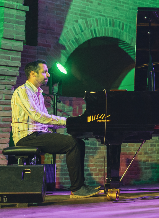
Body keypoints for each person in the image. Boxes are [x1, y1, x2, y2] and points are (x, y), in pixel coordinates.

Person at [11, 60, 100, 198]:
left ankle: (80, 186)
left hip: (37, 135)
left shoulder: (38, 93)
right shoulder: (22, 91)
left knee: (79, 142)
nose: (48, 74)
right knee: (72, 144)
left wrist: (73, 123)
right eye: (44, 72)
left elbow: (44, 118)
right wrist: (67, 121)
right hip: (27, 137)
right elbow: (37, 116)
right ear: (33, 74)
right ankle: (77, 189)